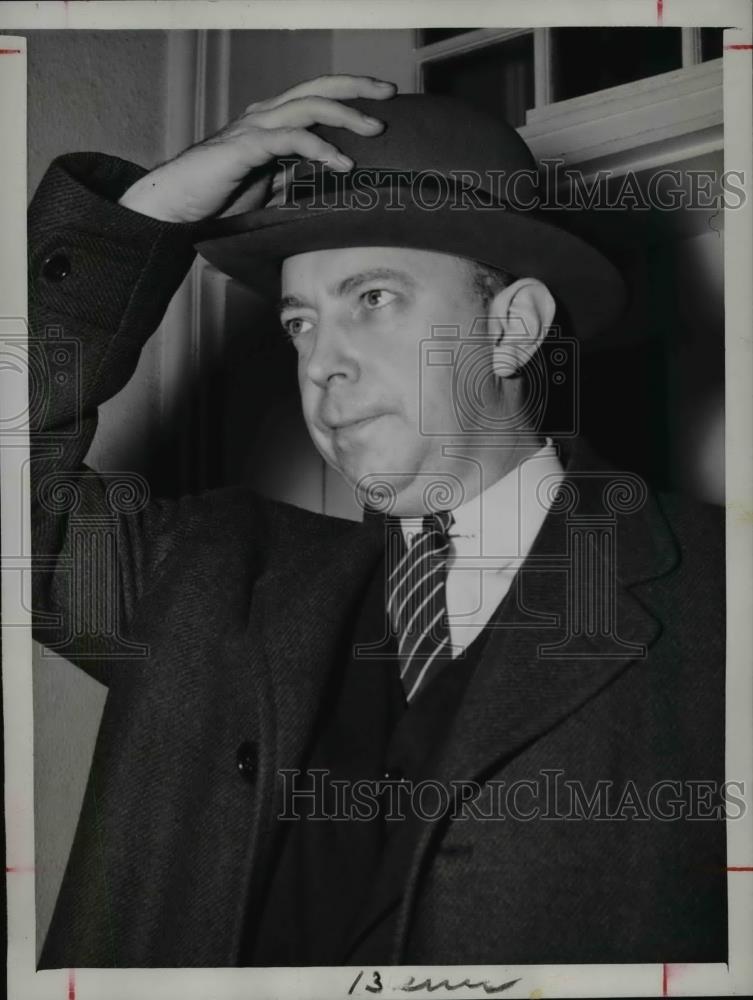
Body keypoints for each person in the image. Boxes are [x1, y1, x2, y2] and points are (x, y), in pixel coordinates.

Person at [30, 75, 726, 968]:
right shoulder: (203, 578)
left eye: (372, 299)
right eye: (298, 324)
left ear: (512, 328)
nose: (321, 363)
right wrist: (142, 216)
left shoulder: (720, 600)